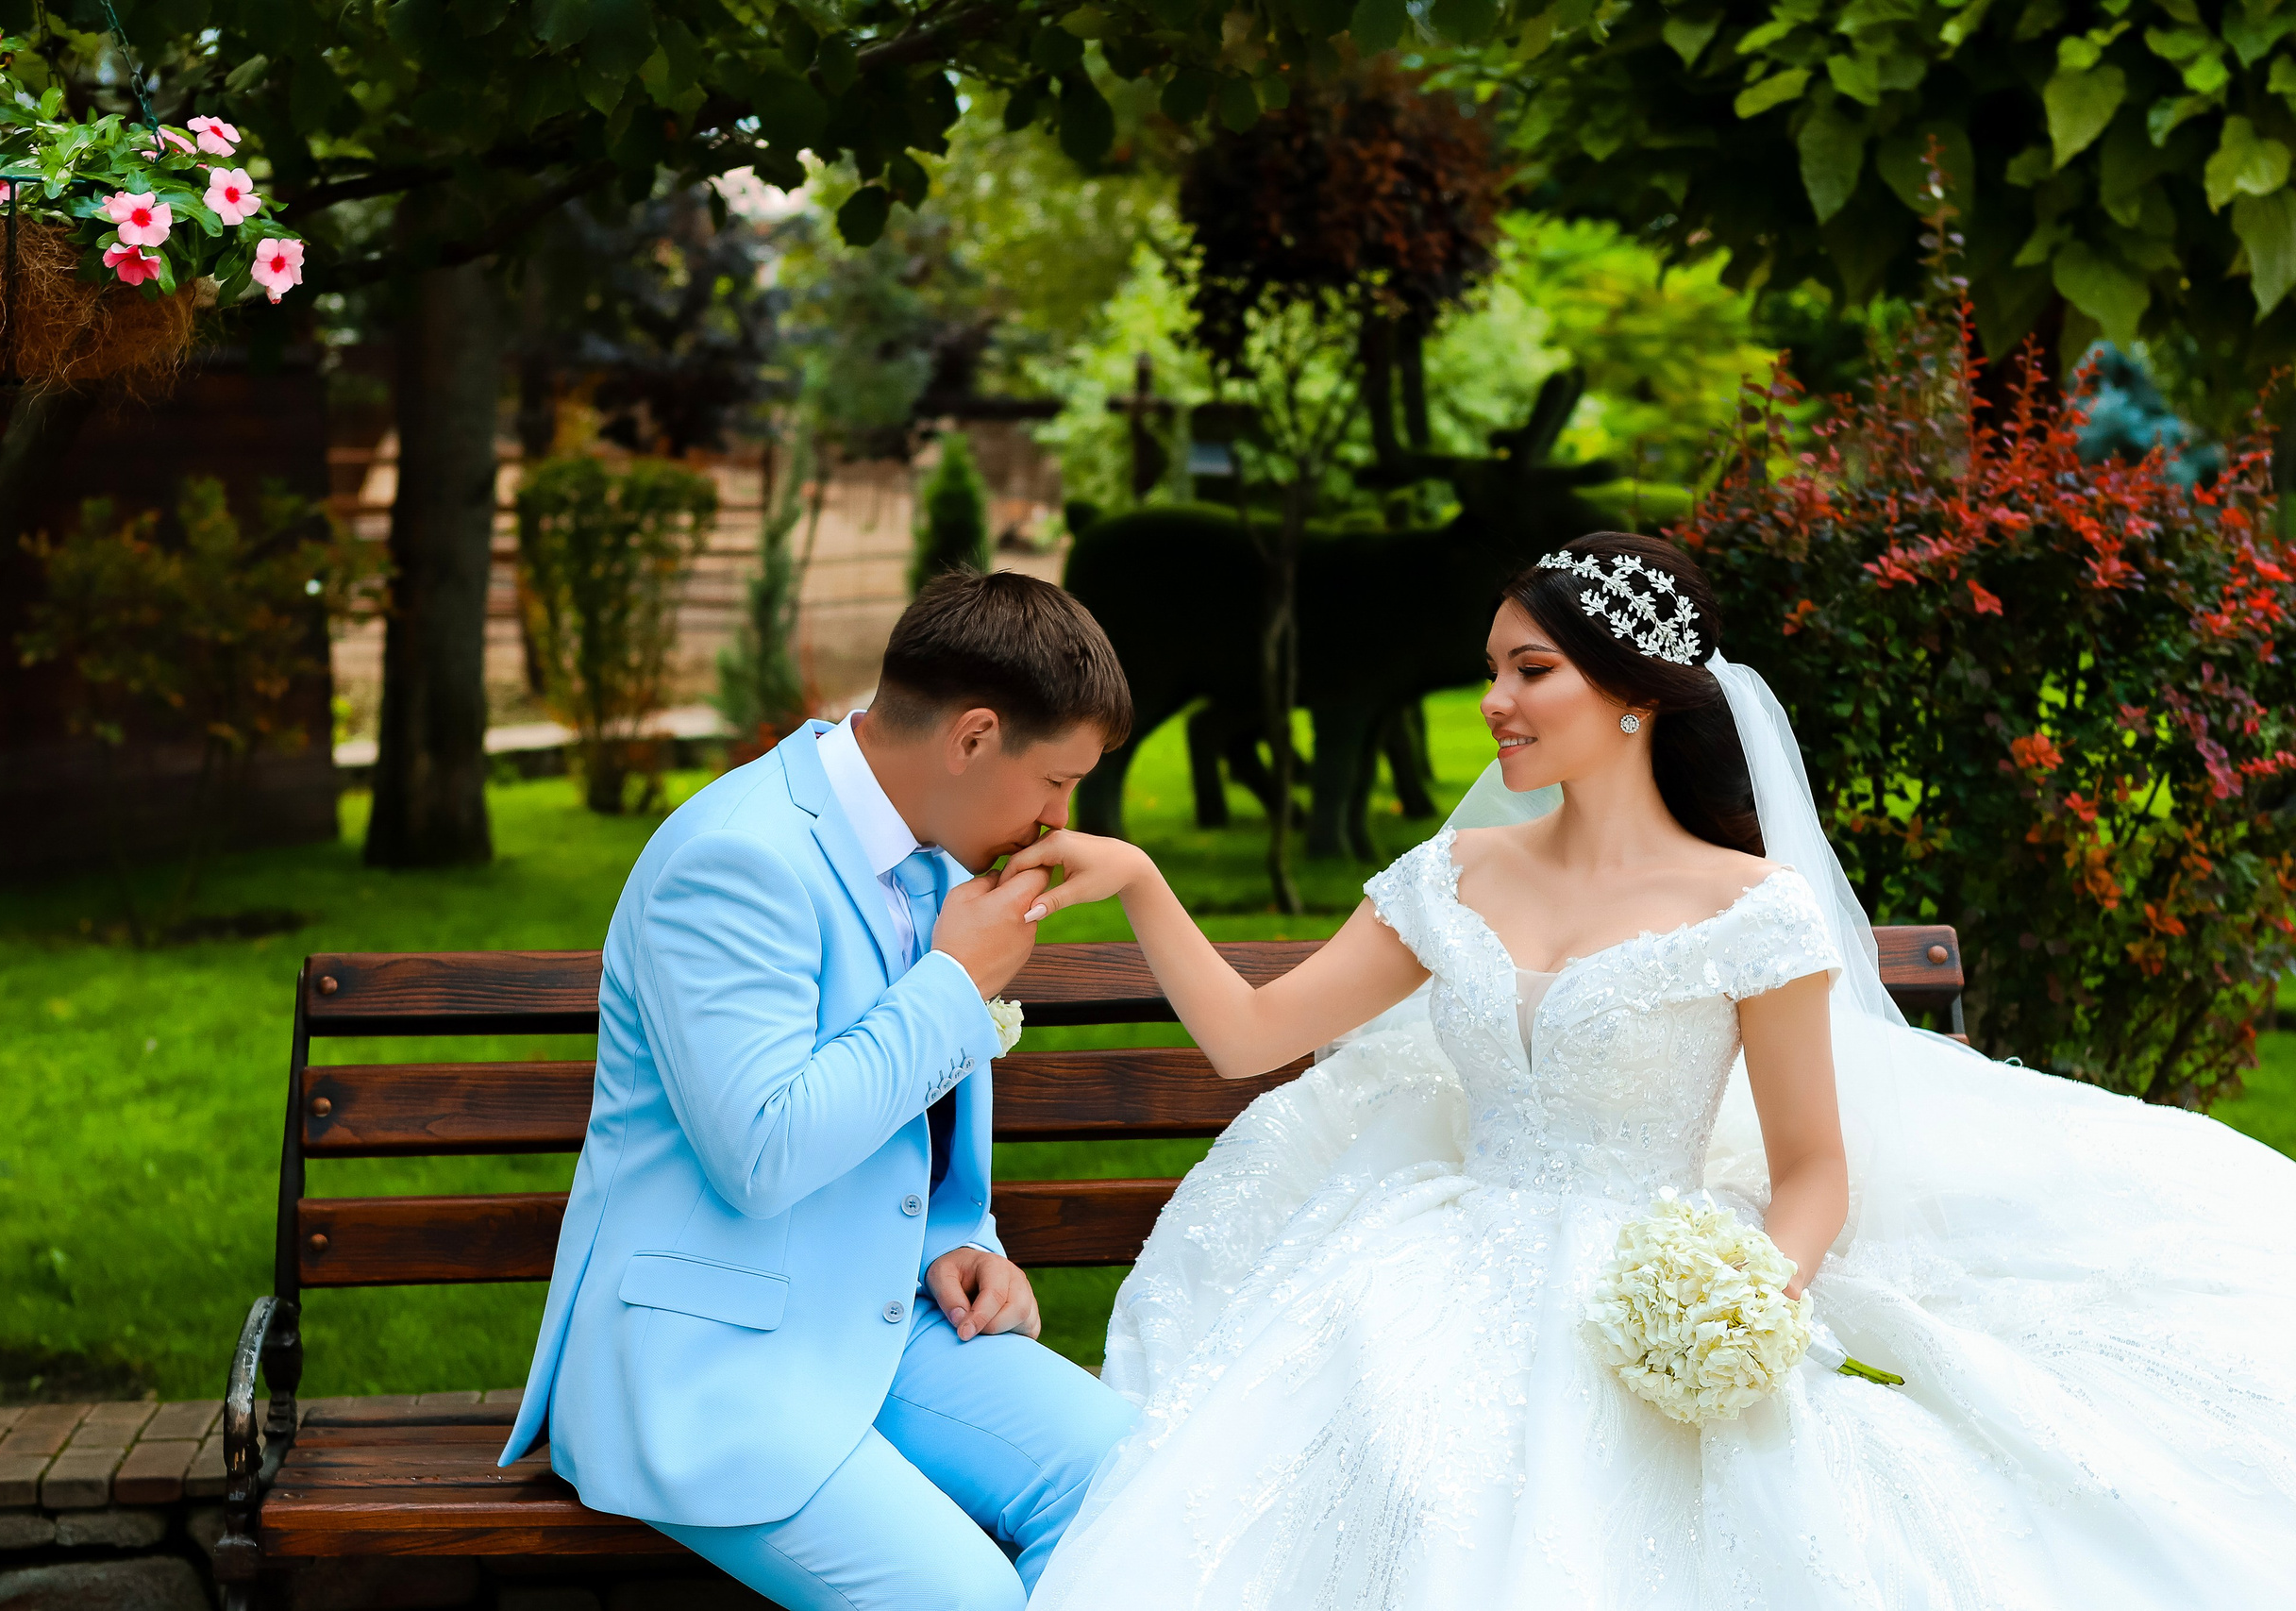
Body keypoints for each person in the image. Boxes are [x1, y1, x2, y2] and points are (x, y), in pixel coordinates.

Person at [1011, 532, 2296, 1608]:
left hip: (1649, 1276)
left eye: (1532, 670)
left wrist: (1741, 1302)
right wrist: (1136, 874)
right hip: (1435, 1258)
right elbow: (1247, 1034)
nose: (1494, 703)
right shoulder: (1452, 878)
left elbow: (1812, 1171)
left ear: (1633, 693)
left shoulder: (1752, 908)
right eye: (1491, 671)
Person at [498, 570, 1139, 1611]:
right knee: (966, 1600)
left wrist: (959, 1240)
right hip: (713, 1366)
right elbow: (761, 1154)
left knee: (1144, 1492)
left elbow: (912, 1132)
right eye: (1057, 781)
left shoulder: (930, 849)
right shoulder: (736, 859)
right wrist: (952, 988)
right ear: (973, 738)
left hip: (884, 1328)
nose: (1059, 819)